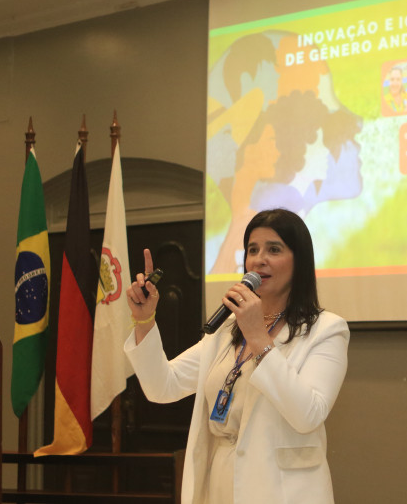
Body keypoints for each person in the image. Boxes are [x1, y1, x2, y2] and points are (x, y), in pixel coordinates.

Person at [124, 208, 350, 504]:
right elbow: (162, 387)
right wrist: (145, 320)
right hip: (218, 484)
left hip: (280, 492)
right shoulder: (228, 329)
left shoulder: (326, 330)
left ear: (300, 262)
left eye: (274, 249)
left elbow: (308, 415)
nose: (259, 259)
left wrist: (258, 337)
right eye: (253, 249)